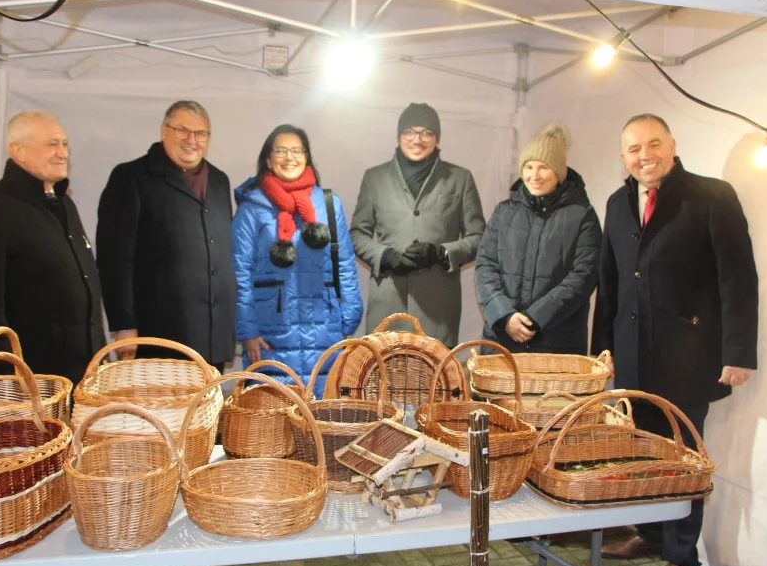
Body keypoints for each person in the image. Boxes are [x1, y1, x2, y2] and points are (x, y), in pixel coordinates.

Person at [592, 113, 758, 566]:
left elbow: (738, 278)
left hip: (689, 356)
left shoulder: (712, 196)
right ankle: (653, 532)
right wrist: (602, 351)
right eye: (634, 148)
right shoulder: (617, 204)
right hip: (631, 353)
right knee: (642, 450)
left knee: (683, 460)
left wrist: (739, 352)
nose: (645, 155)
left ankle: (683, 561)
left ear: (673, 145)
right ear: (623, 156)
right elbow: (611, 282)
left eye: (654, 144)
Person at [0, 109, 105, 566]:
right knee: (25, 479)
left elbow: (86, 286)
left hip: (77, 368)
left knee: (66, 469)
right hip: (30, 375)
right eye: (50, 144)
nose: (62, 151)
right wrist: (4, 384)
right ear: (17, 151)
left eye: (64, 143)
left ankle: (67, 550)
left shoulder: (62, 205)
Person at [96, 100, 235, 369]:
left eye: (200, 134)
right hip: (160, 333)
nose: (191, 140)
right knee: (161, 411)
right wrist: (123, 324)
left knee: (207, 411)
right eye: (182, 130)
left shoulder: (219, 181)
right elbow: (114, 259)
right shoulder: (131, 177)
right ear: (163, 130)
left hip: (213, 336)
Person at [232, 124, 363, 397]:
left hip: (325, 329)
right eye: (281, 150)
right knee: (273, 419)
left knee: (323, 419)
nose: (289, 157)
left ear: (306, 156)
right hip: (270, 334)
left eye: (296, 150)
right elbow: (239, 272)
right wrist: (247, 329)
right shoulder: (251, 208)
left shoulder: (329, 203)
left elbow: (345, 264)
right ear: (268, 159)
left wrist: (348, 315)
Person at [350, 102, 485, 347]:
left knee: (436, 380)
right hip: (388, 302)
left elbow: (478, 236)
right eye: (410, 131)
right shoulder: (375, 178)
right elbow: (357, 234)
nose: (417, 139)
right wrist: (386, 256)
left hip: (437, 306)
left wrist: (441, 253)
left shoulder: (460, 178)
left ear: (437, 138)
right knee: (383, 378)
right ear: (399, 135)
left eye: (427, 132)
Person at [475, 123, 601, 354]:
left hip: (557, 343)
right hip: (503, 339)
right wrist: (504, 315)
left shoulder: (582, 215)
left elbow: (584, 275)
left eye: (543, 167)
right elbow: (485, 266)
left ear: (559, 172)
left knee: (552, 393)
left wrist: (535, 318)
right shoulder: (504, 212)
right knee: (500, 392)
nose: (534, 176)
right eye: (528, 166)